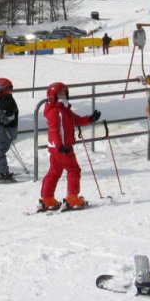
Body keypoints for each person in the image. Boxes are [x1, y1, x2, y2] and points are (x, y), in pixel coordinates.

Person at [38, 82, 101, 211]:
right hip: (62, 148)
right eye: (59, 94)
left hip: (57, 148)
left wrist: (90, 119)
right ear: (52, 96)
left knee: (55, 171)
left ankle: (47, 198)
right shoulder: (55, 112)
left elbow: (75, 120)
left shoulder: (64, 109)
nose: (63, 96)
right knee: (74, 170)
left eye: (64, 93)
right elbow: (54, 130)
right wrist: (61, 146)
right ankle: (72, 198)